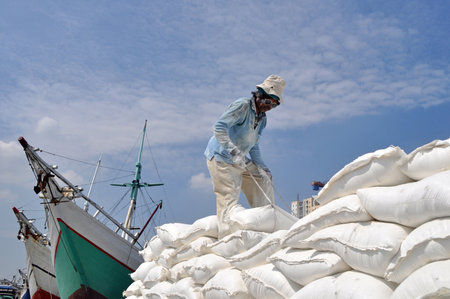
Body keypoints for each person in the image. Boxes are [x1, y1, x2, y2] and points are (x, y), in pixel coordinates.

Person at [204, 74, 286, 238]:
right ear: (260, 95)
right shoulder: (242, 106)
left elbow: (253, 145)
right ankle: (226, 236)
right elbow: (218, 127)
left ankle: (264, 222)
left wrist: (262, 167)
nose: (269, 107)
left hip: (240, 159)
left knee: (264, 179)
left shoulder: (262, 119)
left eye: (274, 105)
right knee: (229, 196)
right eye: (268, 102)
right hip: (222, 157)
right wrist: (232, 150)